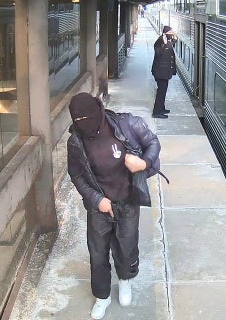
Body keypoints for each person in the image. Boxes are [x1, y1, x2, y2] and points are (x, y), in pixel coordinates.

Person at [66, 92, 161, 319]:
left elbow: (153, 142)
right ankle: (102, 296)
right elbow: (76, 176)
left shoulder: (127, 124)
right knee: (98, 253)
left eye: (86, 118)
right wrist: (97, 200)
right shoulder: (76, 141)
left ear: (98, 110)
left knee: (127, 246)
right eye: (77, 121)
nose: (83, 125)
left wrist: (143, 163)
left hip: (127, 201)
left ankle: (125, 280)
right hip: (99, 207)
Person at [151, 25, 177, 119]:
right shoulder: (160, 41)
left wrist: (174, 39)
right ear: (166, 33)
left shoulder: (166, 40)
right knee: (161, 92)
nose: (172, 35)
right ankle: (156, 112)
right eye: (171, 33)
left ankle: (162, 108)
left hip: (164, 72)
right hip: (160, 72)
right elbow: (159, 53)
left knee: (163, 90)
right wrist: (165, 44)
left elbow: (170, 47)